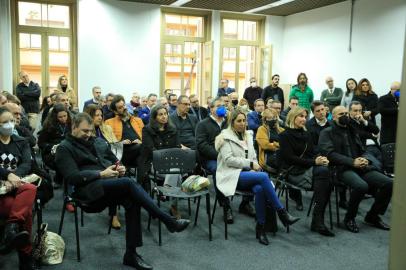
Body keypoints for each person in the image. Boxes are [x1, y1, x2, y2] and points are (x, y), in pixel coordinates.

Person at [55, 113, 190, 270]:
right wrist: (100, 174)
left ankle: (130, 254)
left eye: (91, 131)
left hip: (107, 186)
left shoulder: (97, 141)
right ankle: (168, 220)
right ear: (74, 127)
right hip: (87, 192)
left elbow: (114, 160)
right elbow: (72, 177)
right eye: (85, 131)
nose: (88, 135)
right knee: (128, 184)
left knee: (132, 200)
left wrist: (120, 167)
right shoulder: (64, 148)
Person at [215, 109, 299, 245]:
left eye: (244, 120)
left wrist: (252, 165)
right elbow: (229, 160)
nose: (242, 124)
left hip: (248, 174)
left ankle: (261, 228)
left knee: (260, 189)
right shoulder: (224, 137)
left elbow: (253, 156)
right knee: (264, 177)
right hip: (231, 175)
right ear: (232, 122)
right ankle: (282, 212)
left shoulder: (248, 135)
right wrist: (250, 164)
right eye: (239, 121)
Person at [319, 106, 392, 233]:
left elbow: (363, 150)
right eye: (341, 114)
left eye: (346, 113)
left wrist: (365, 159)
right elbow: (330, 154)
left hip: (360, 166)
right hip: (340, 169)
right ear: (334, 116)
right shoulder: (327, 132)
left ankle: (372, 216)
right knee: (361, 186)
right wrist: (352, 162)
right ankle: (349, 218)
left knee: (389, 183)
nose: (345, 116)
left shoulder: (351, 130)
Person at [196, 97, 254, 223]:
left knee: (248, 166)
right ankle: (225, 204)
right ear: (211, 109)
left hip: (231, 155)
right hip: (211, 159)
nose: (222, 108)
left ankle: (246, 202)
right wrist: (221, 155)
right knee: (219, 170)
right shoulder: (202, 124)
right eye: (218, 106)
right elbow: (202, 145)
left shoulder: (229, 123)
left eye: (223, 105)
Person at [279, 107, 334, 236]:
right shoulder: (284, 135)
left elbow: (310, 154)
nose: (304, 119)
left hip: (307, 169)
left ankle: (318, 220)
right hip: (292, 172)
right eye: (301, 116)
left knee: (327, 177)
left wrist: (320, 158)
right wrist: (314, 162)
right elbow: (290, 159)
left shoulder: (306, 134)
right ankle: (317, 221)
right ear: (293, 117)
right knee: (325, 178)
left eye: (305, 116)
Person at [0, 107, 38, 269]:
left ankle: (10, 231)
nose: (9, 124)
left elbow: (27, 163)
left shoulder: (21, 141)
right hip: (2, 189)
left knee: (30, 188)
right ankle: (25, 255)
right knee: (26, 211)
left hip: (18, 185)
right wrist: (7, 175)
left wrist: (15, 178)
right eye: (4, 122)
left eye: (11, 121)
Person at [139, 105, 187, 219]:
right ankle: (174, 207)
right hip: (154, 163)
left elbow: (176, 147)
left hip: (171, 163)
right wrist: (166, 157)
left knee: (175, 171)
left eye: (165, 114)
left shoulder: (173, 129)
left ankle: (165, 190)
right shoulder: (147, 130)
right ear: (154, 117)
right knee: (177, 174)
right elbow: (151, 150)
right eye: (160, 114)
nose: (164, 116)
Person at [84, 104, 122, 229]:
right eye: (96, 115)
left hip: (108, 162)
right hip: (94, 166)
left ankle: (117, 211)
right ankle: (114, 215)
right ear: (89, 117)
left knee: (121, 176)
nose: (100, 118)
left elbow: (113, 148)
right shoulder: (85, 134)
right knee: (115, 180)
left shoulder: (105, 129)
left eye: (101, 115)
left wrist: (118, 164)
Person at [105, 95, 144, 172]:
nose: (124, 108)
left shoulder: (138, 120)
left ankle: (142, 181)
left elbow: (145, 137)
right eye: (120, 107)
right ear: (115, 111)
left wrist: (141, 141)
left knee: (142, 152)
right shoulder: (109, 122)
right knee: (143, 150)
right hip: (122, 152)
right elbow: (108, 143)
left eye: (124, 105)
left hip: (138, 149)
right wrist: (121, 143)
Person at [348, 101, 382, 171]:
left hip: (375, 146)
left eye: (360, 110)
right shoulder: (348, 122)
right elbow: (357, 134)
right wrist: (371, 135)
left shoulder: (364, 119)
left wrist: (364, 121)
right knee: (377, 165)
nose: (358, 113)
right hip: (365, 148)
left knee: (384, 164)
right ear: (349, 111)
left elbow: (376, 130)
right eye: (355, 111)